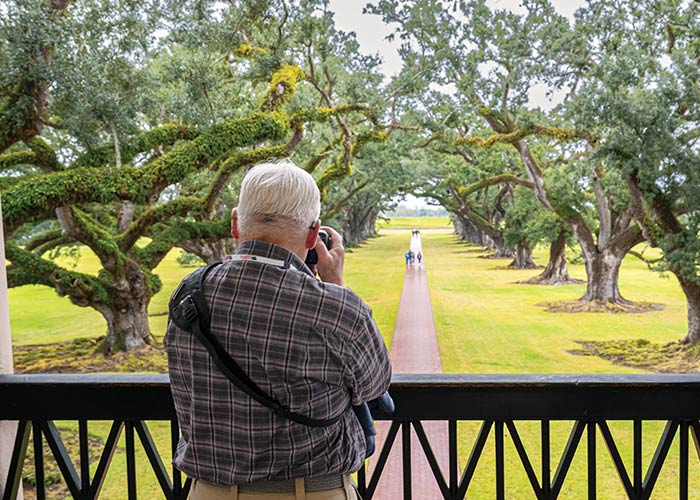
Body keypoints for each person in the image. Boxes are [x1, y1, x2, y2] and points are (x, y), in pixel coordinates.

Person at [165, 160, 392, 500]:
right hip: (313, 491)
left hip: (209, 492)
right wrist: (335, 284)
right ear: (314, 234)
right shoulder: (339, 308)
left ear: (236, 224)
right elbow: (374, 385)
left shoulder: (189, 293)